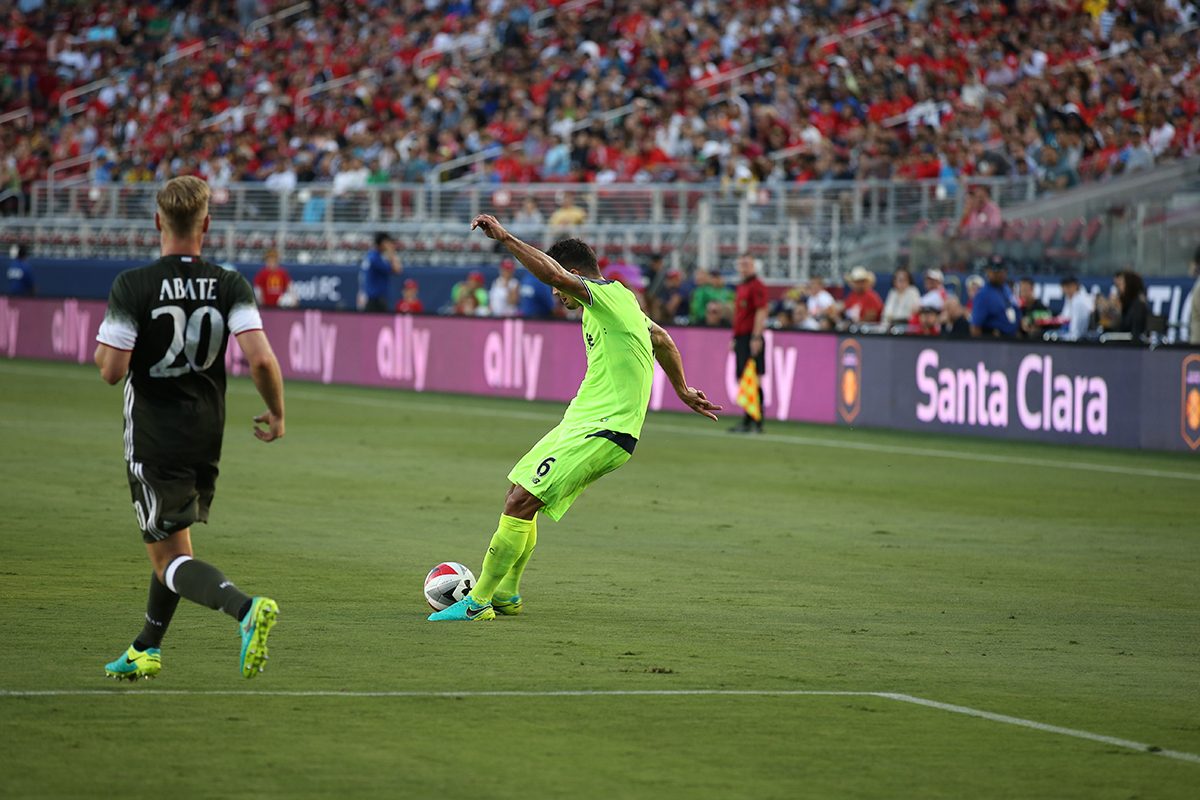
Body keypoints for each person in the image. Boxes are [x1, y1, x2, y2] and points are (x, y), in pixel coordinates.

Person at [427, 214, 721, 622]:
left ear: (572, 274)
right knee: (518, 489)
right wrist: (682, 389)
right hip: (578, 423)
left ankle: (477, 604)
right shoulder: (616, 307)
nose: (555, 295)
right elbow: (661, 338)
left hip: (606, 429)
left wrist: (507, 238)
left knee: (521, 502)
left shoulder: (608, 296)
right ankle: (508, 594)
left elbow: (560, 278)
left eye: (557, 285)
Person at [92, 176, 284, 681]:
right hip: (207, 432)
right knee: (175, 541)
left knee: (168, 560)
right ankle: (145, 648)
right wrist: (277, 412)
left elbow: (112, 371)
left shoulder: (135, 285)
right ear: (207, 224)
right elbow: (261, 360)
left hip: (155, 436)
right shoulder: (230, 283)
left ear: (158, 221)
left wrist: (104, 345)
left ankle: (245, 610)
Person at [729, 253, 768, 434]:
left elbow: (761, 311)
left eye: (747, 264)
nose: (744, 268)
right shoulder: (742, 286)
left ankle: (756, 422)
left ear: (753, 266)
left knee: (753, 379)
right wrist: (734, 338)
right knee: (746, 380)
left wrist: (756, 337)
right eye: (741, 264)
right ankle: (749, 421)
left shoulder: (756, 286)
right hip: (741, 338)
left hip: (750, 337)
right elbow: (740, 315)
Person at [970, 256, 1019, 337]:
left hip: (1012, 340)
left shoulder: (1006, 289)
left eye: (1001, 269)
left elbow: (1015, 310)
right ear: (987, 272)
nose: (998, 273)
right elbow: (975, 327)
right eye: (994, 270)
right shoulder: (983, 294)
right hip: (995, 343)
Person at [360, 232, 402, 312]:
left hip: (372, 297)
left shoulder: (371, 255)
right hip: (376, 299)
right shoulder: (376, 258)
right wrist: (391, 251)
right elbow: (397, 269)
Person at [1113, 269, 1150, 342]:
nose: (1118, 290)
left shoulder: (1138, 307)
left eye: (1119, 286)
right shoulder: (1126, 305)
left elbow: (1135, 333)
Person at [1058, 275, 1093, 341]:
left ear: (1074, 286)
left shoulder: (1081, 301)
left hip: (1079, 339)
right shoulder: (1069, 298)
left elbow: (1075, 330)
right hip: (1067, 334)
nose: (1064, 290)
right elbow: (1064, 318)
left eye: (1067, 287)